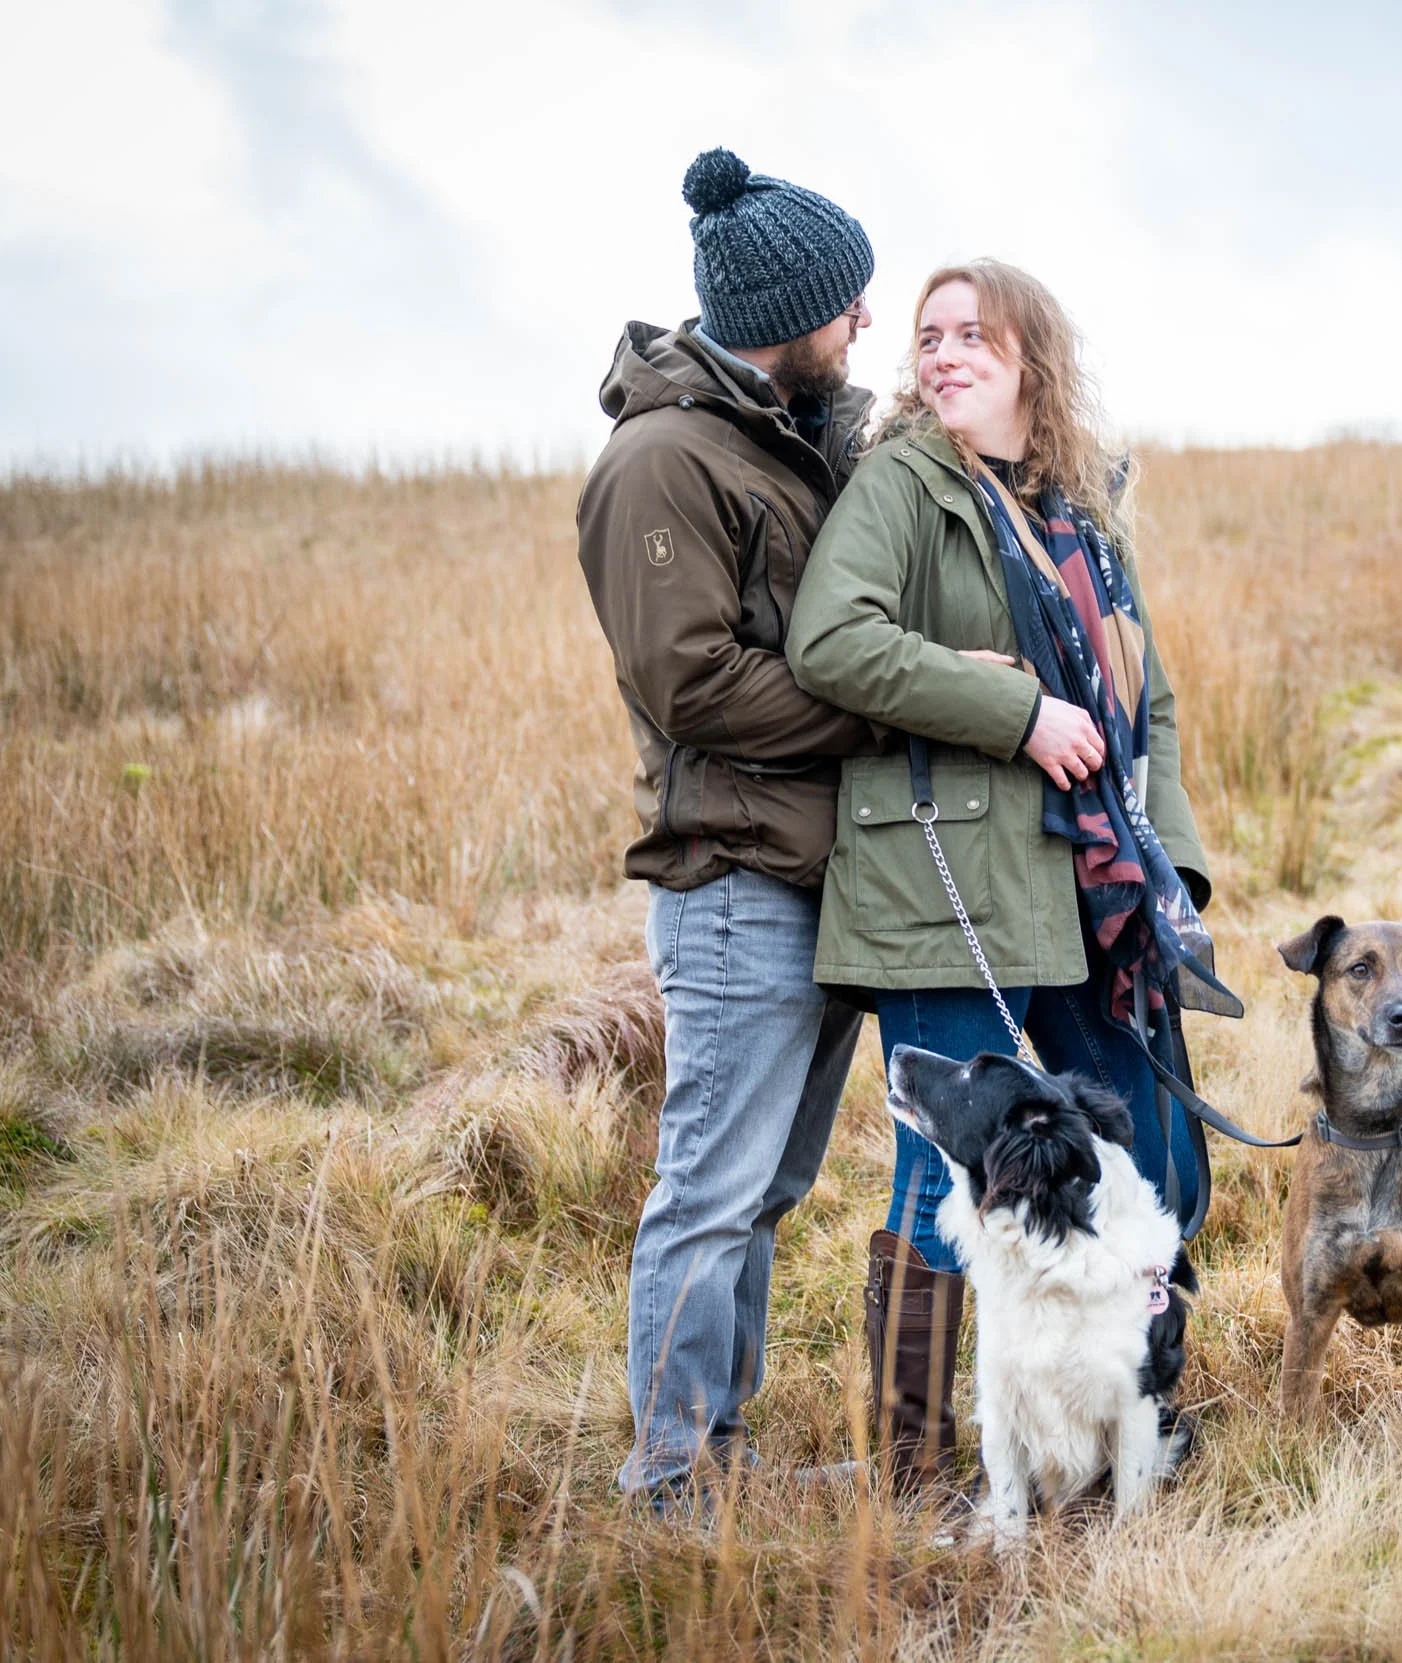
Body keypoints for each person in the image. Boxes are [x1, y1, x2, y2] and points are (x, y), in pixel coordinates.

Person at [788, 260, 1230, 1493]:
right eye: (926, 337)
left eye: (972, 335)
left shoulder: (1086, 506)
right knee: (943, 1171)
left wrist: (1174, 865)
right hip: (948, 887)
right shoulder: (901, 484)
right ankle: (919, 1461)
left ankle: (1124, 1423)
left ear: (1030, 357)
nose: (942, 355)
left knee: (1132, 1154)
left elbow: (1153, 700)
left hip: (1095, 891)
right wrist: (1016, 706)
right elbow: (830, 640)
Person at [575, 146, 883, 1504]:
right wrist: (881, 709)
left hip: (816, 877)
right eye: (850, 301)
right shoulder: (661, 462)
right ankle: (667, 1479)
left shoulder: (786, 444)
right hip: (734, 883)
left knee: (762, 1187)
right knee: (707, 1189)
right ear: (787, 315)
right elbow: (688, 679)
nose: (866, 322)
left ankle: (723, 1449)